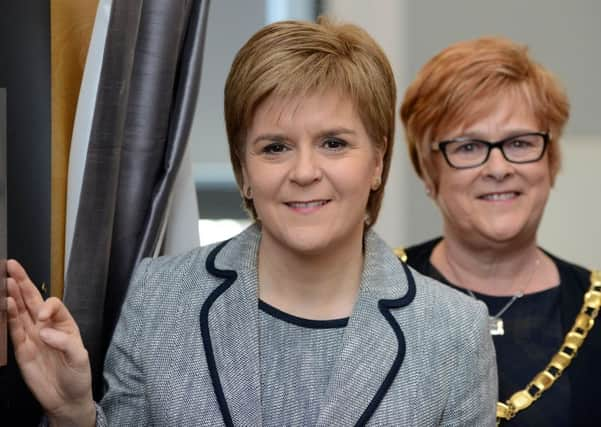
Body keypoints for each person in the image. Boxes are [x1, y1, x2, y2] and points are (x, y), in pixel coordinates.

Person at [7, 19, 497, 426]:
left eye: (333, 143)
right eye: (275, 147)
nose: (304, 172)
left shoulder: (453, 331)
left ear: (376, 164)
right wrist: (74, 414)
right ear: (244, 173)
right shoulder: (159, 297)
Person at [398, 36, 601, 426]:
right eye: (469, 147)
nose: (497, 168)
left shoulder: (593, 308)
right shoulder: (371, 297)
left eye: (520, 142)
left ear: (552, 161)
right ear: (427, 170)